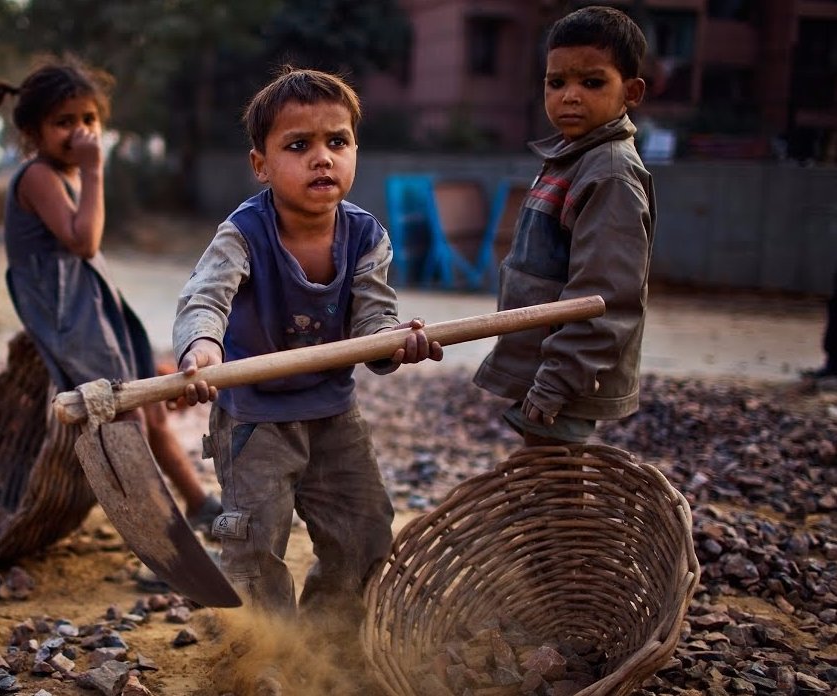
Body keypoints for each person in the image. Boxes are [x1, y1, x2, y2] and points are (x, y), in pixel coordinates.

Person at [173, 67, 443, 628]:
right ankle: (267, 652)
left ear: (354, 150)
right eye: (299, 145)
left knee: (364, 528)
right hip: (255, 419)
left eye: (336, 142)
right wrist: (201, 347)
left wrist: (392, 344)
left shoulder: (367, 236)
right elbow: (205, 297)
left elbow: (374, 319)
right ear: (261, 165)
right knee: (253, 541)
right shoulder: (243, 233)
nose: (322, 158)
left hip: (333, 414)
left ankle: (329, 640)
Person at [0, 58, 222, 535]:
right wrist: (96, 171)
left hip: (93, 306)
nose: (79, 132)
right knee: (122, 419)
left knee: (149, 408)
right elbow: (83, 240)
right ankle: (159, 529)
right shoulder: (38, 176)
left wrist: (88, 173)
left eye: (88, 120)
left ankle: (197, 502)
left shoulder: (68, 172)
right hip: (68, 315)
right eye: (64, 122)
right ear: (34, 132)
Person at [473, 5, 655, 447]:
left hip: (569, 378)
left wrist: (558, 380)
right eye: (557, 83)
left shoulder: (609, 173)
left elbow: (604, 297)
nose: (570, 96)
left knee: (556, 490)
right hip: (547, 367)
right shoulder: (571, 159)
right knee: (543, 485)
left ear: (631, 91)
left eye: (592, 82)